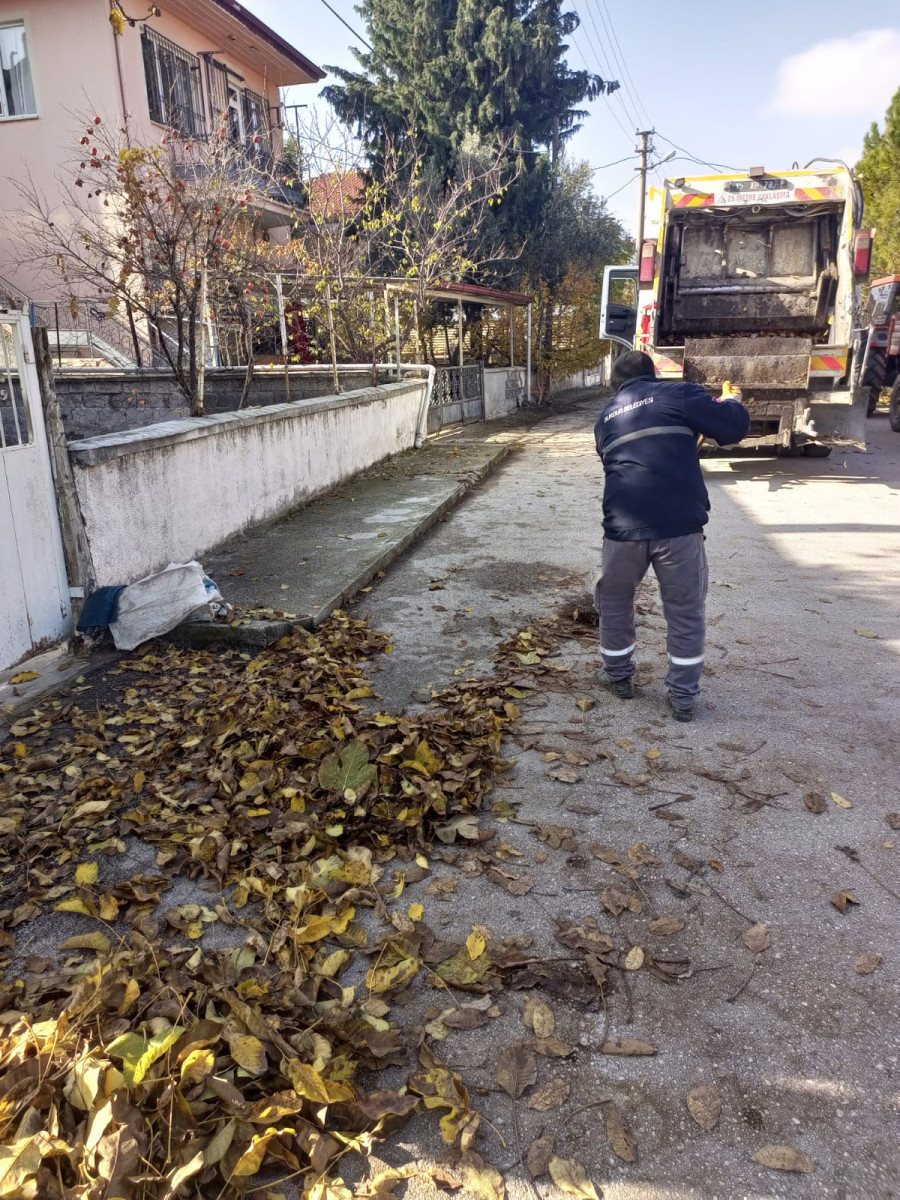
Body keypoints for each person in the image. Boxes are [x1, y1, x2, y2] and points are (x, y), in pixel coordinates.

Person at [593, 351, 750, 721]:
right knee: (685, 610)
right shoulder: (679, 394)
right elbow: (731, 429)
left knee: (615, 602)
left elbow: (616, 458)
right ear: (654, 376)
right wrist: (731, 401)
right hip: (678, 526)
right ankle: (682, 697)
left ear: (616, 385)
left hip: (622, 527)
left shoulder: (604, 418)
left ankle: (617, 678)